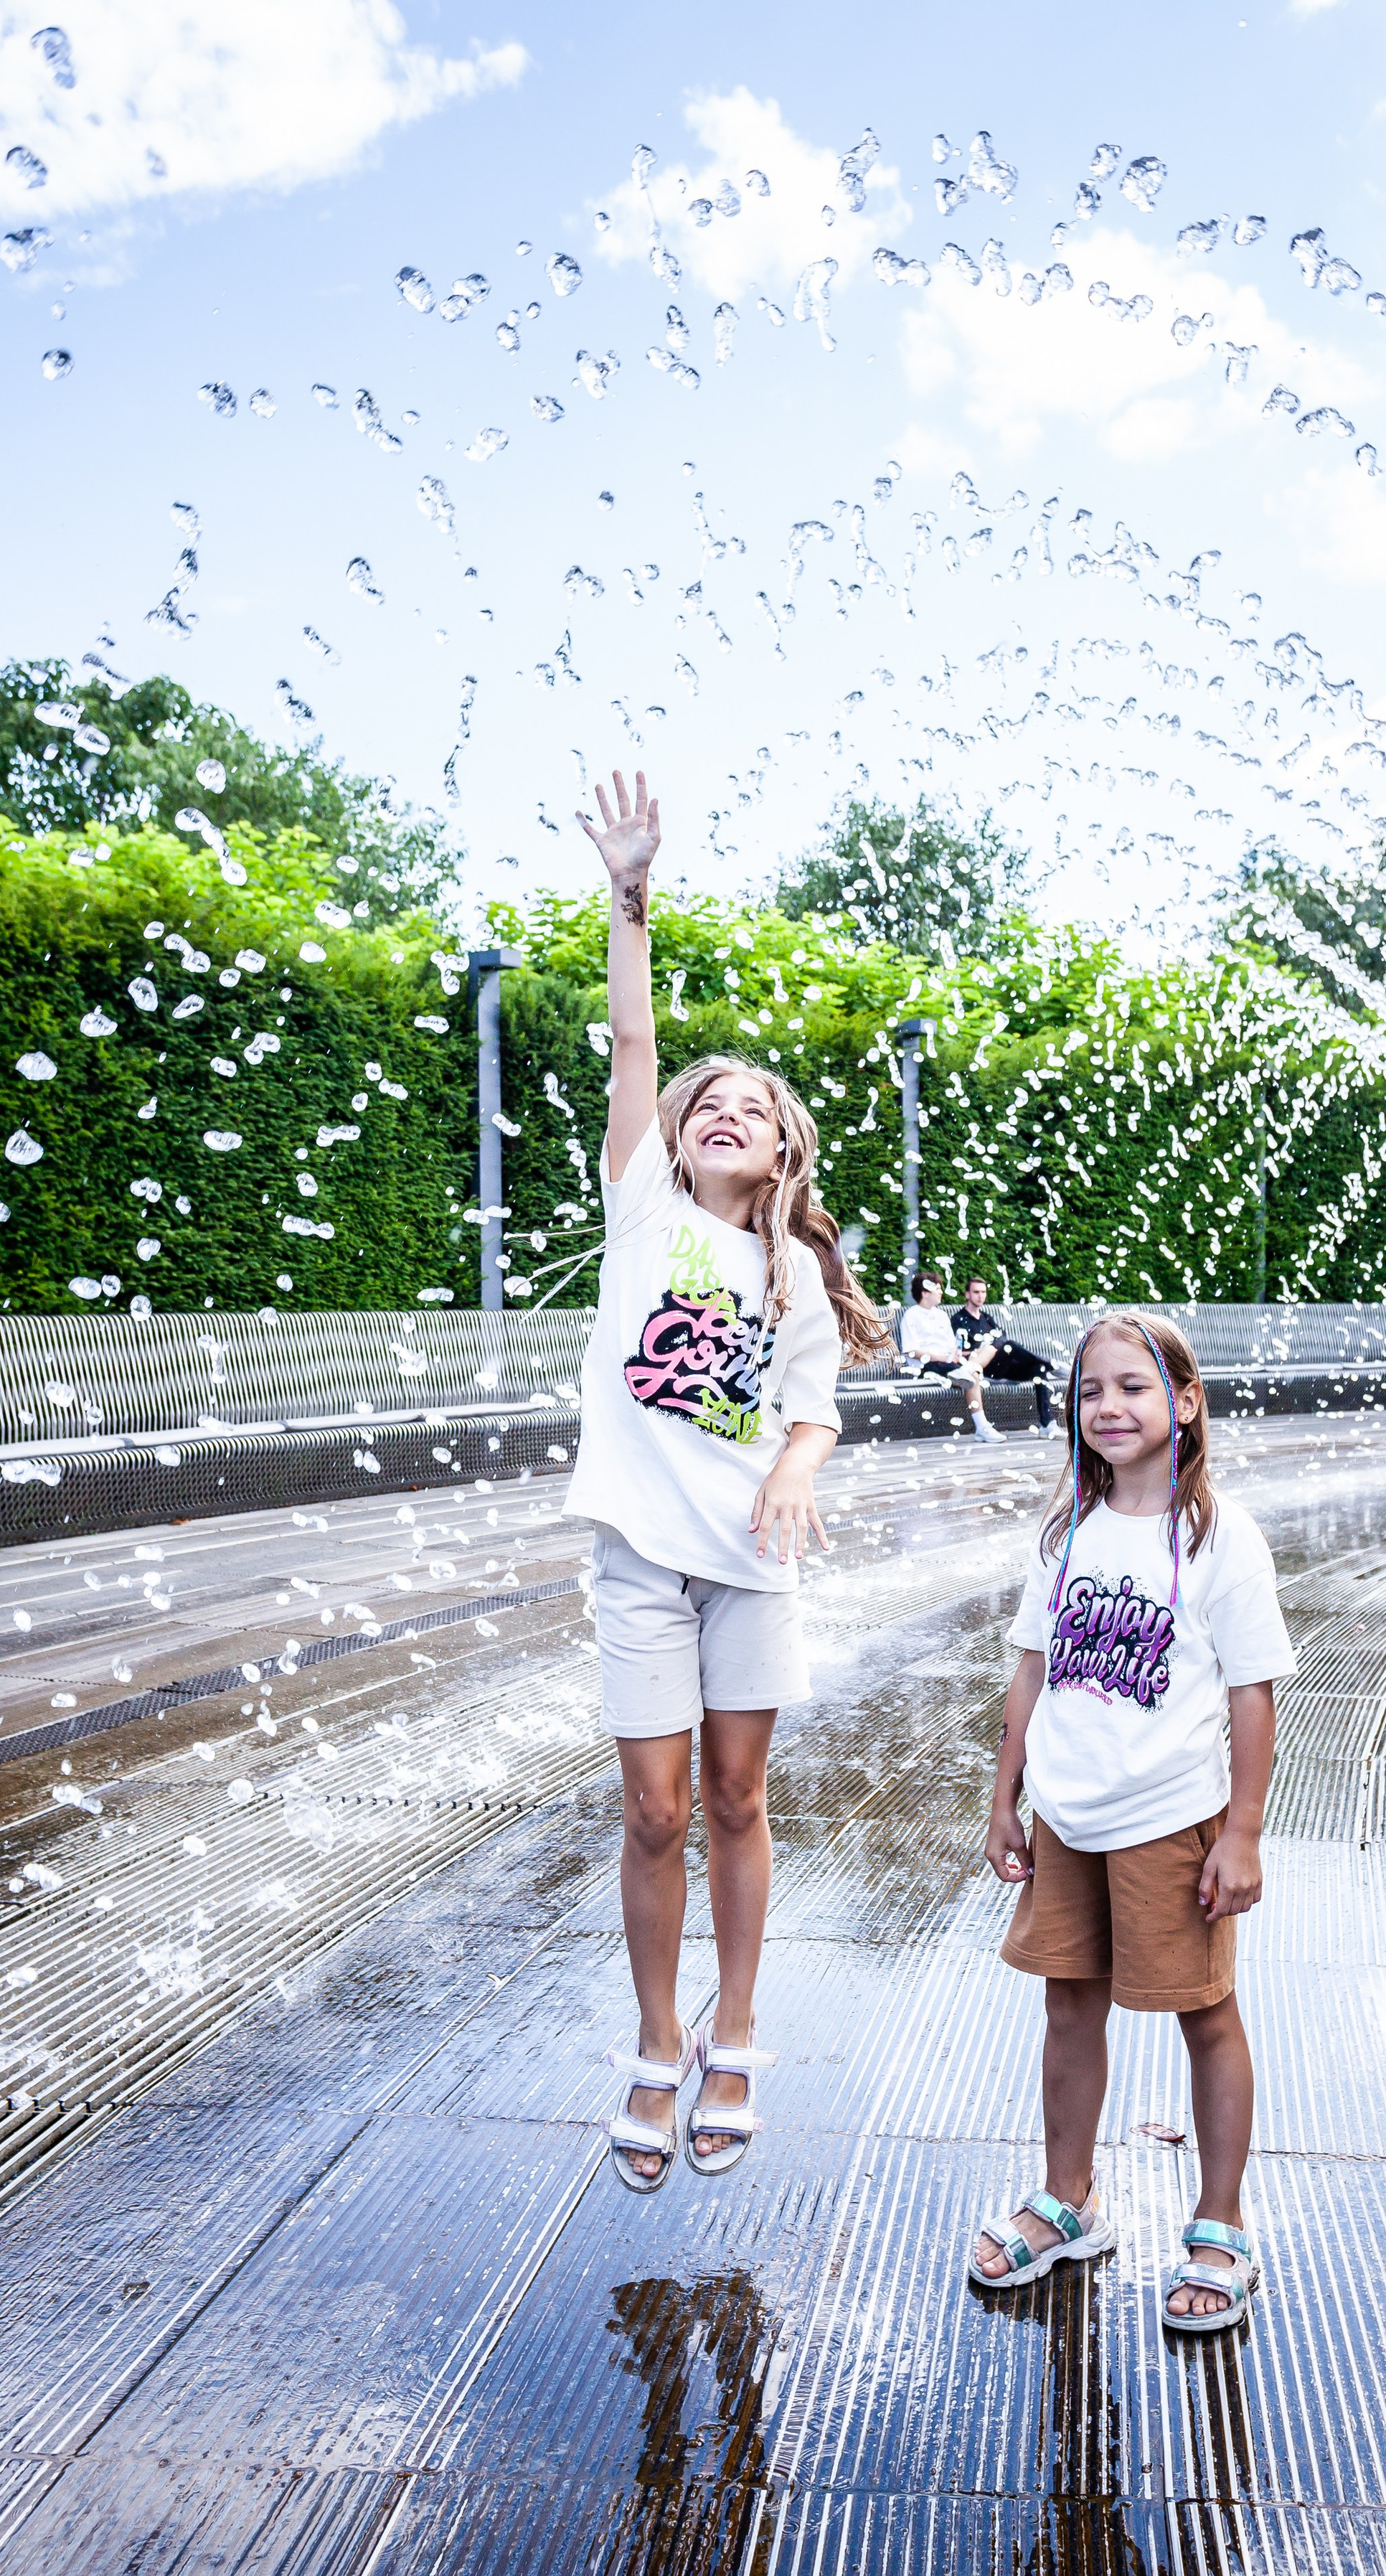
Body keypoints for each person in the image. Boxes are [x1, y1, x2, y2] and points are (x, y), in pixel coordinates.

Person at [567, 769, 887, 2194]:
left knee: (739, 1800)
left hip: (750, 1563)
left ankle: (736, 2028)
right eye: (711, 1100)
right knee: (652, 1809)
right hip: (639, 1553)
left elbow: (812, 1409)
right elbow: (633, 1039)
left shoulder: (792, 1269)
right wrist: (629, 897)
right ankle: (653, 2040)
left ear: (778, 1154)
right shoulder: (641, 1207)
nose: (723, 1111)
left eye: (752, 1111)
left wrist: (797, 1470)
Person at [968, 1311, 1297, 2330]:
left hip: (1171, 1818)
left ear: (1186, 1404)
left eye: (1134, 1387)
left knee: (1205, 2012)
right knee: (1070, 2007)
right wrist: (1005, 1795)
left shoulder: (1215, 1537)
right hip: (1070, 1811)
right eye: (1091, 1390)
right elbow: (1032, 1666)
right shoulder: (1069, 1529)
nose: (1108, 1406)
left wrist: (1241, 1832)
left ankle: (1221, 2221)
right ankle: (1071, 2200)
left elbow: (1253, 1691)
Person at [897, 1268, 1001, 1439]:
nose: (941, 1292)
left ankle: (982, 1426)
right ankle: (982, 1427)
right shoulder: (912, 1315)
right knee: (969, 1374)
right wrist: (945, 1358)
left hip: (947, 1364)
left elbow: (952, 1346)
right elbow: (911, 1350)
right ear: (925, 1293)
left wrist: (957, 1355)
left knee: (972, 1371)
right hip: (925, 1367)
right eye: (937, 1289)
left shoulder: (942, 1315)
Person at [950, 1273, 1056, 1432]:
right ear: (967, 1295)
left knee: (1038, 1370)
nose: (980, 1296)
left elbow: (1001, 1339)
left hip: (1002, 1366)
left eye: (983, 1292)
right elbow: (957, 1351)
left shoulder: (987, 1319)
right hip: (982, 1370)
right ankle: (1050, 1363)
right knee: (1009, 1345)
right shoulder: (958, 1320)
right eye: (976, 1292)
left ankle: (1047, 1425)